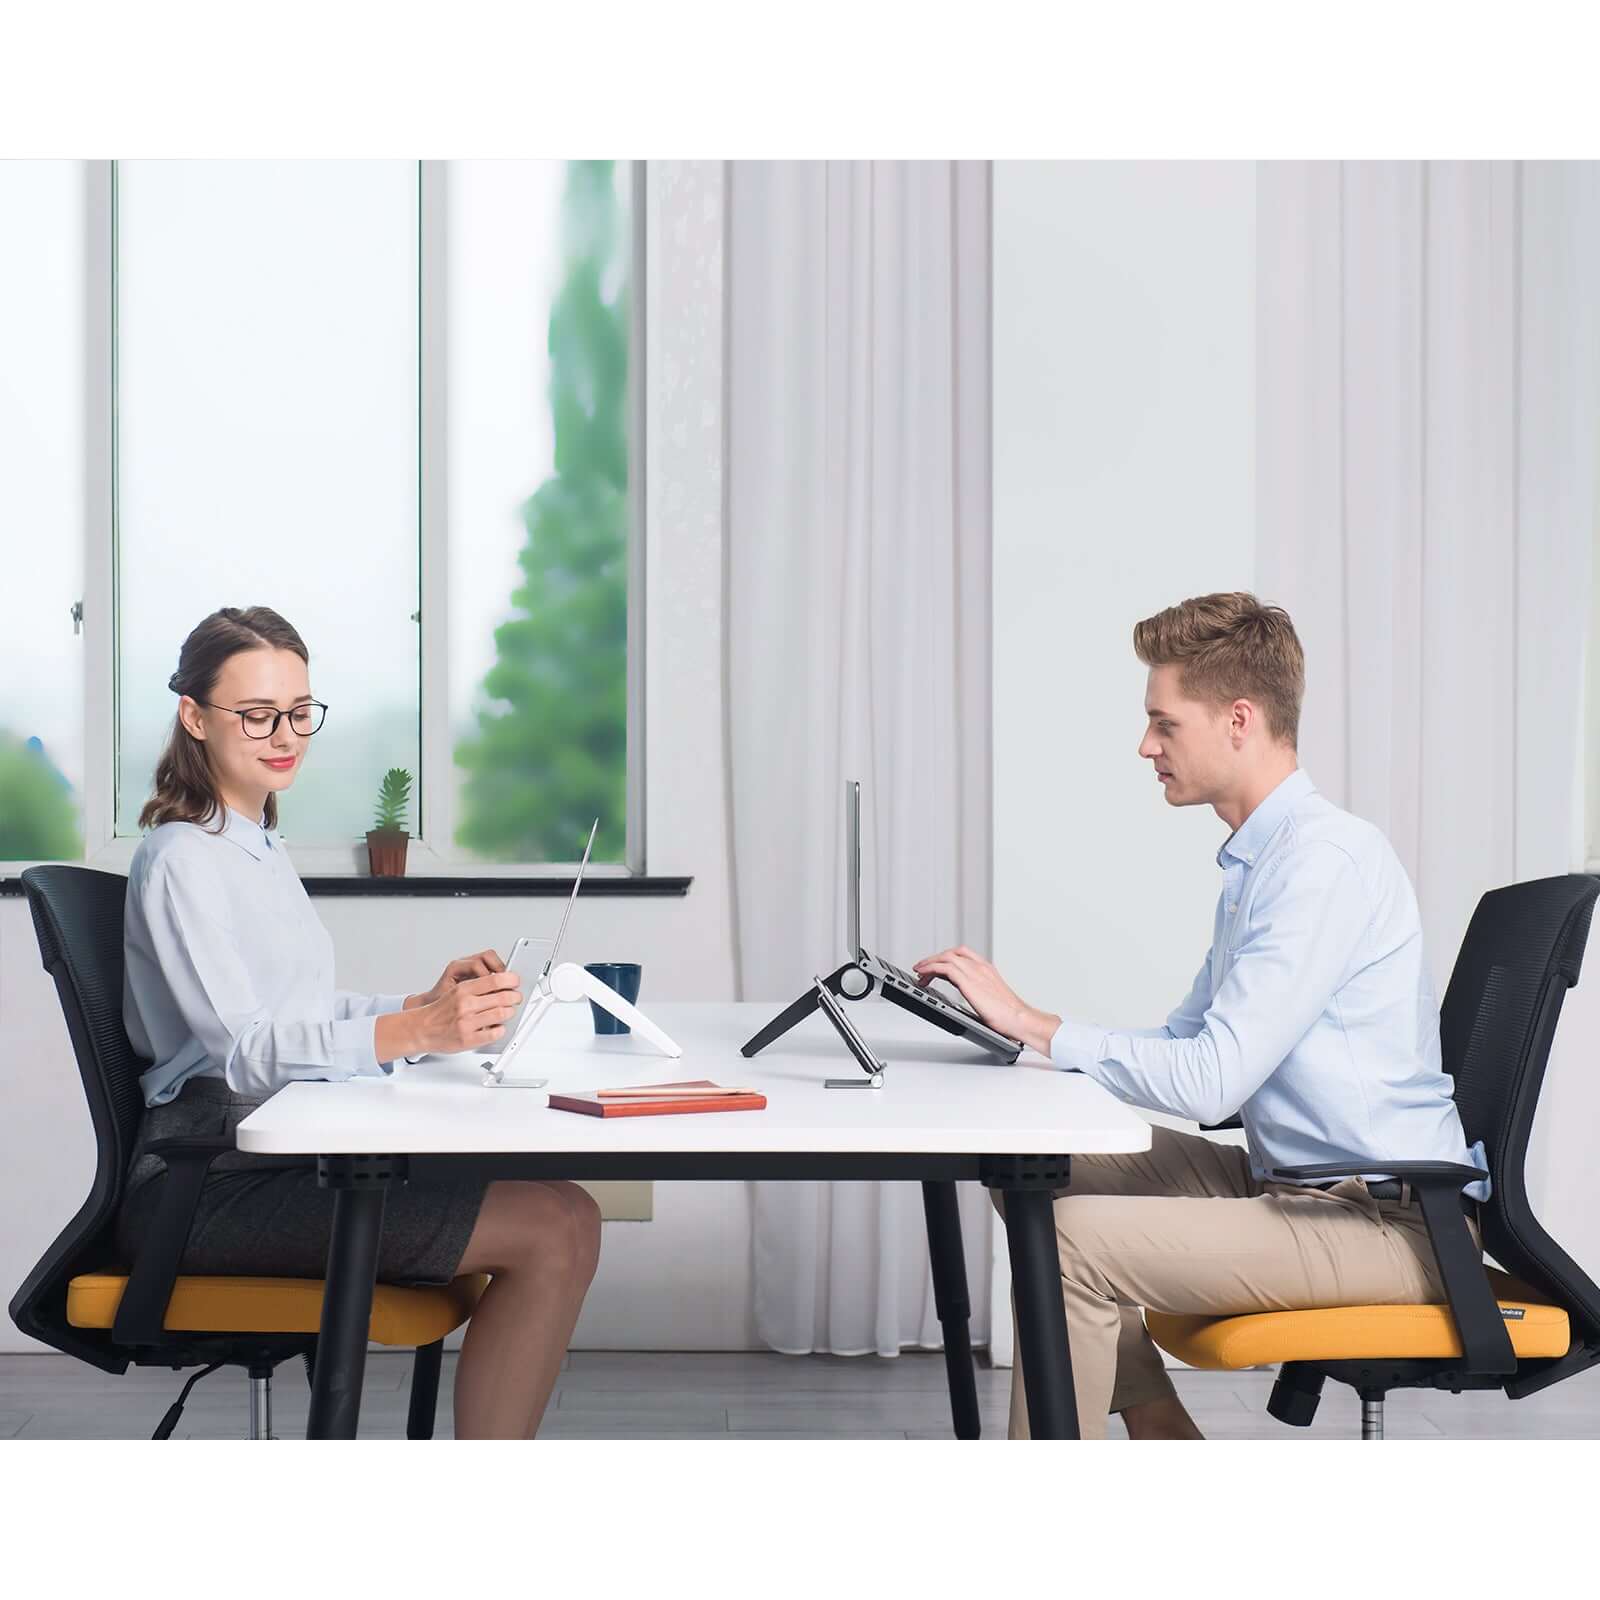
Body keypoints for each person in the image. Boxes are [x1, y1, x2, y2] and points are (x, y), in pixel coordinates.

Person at [915, 591, 1487, 1440]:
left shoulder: (1321, 864)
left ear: (1240, 720)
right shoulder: (1263, 862)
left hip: (1390, 1222)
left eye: (1164, 723)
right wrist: (1023, 1036)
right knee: (1032, 1169)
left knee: (1065, 1242)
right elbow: (1187, 1043)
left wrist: (1040, 1025)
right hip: (1295, 1181)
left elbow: (1212, 1079)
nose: (1146, 746)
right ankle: (1162, 1432)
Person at [116, 604, 601, 1439]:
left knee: (566, 1207)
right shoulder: (183, 859)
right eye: (258, 714)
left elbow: (296, 1015)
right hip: (209, 1182)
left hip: (275, 1154)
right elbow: (245, 1053)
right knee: (555, 1226)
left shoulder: (253, 845)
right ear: (194, 716)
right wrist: (415, 1036)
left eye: (300, 712)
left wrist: (416, 1008)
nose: (286, 735)